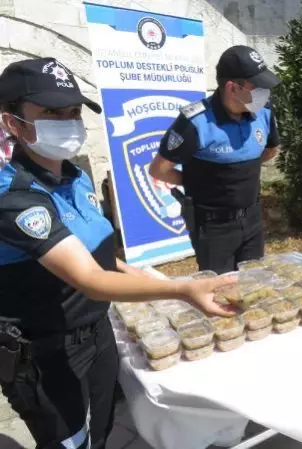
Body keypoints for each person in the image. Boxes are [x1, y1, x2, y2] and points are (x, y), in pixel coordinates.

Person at [0, 58, 236, 449]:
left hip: (96, 333)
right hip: (46, 353)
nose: (68, 120)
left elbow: (96, 255)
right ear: (14, 124)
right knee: (69, 442)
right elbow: (90, 280)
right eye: (51, 112)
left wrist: (140, 274)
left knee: (104, 426)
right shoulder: (16, 199)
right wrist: (181, 290)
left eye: (73, 111)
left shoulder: (74, 177)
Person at [149, 45, 281, 274]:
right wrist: (196, 181)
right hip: (213, 227)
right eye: (257, 86)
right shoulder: (196, 121)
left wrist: (238, 170)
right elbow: (159, 169)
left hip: (252, 219)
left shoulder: (264, 112)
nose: (264, 92)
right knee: (220, 293)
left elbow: (271, 149)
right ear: (233, 87)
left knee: (255, 286)